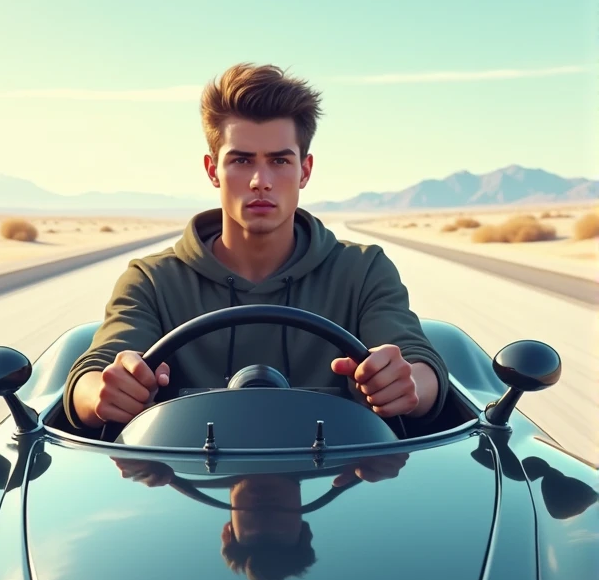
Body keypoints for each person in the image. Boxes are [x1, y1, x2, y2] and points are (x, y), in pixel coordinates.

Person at [63, 62, 449, 431]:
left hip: (342, 482)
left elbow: (418, 364)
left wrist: (405, 384)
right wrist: (105, 391)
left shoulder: (363, 270)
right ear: (213, 170)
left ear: (305, 170)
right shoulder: (151, 279)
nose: (260, 181)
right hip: (182, 484)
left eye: (280, 160)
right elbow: (94, 374)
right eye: (242, 160)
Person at [112, 452, 409, 580]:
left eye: (256, 536)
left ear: (229, 532)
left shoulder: (165, 452)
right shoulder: (359, 450)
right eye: (277, 535)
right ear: (302, 528)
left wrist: (132, 450)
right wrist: (390, 447)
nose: (267, 517)